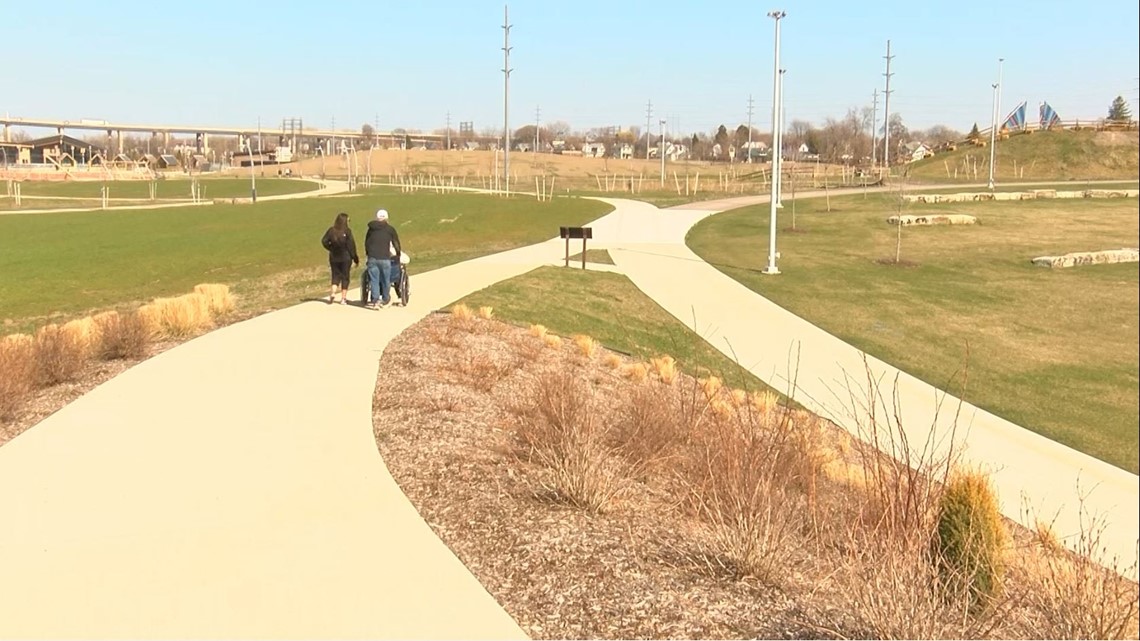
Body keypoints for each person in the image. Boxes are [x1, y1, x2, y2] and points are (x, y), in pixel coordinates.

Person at [364, 208, 401, 308]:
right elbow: (395, 243)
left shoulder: (371, 229)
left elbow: (367, 242)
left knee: (374, 280)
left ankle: (375, 300)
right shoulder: (390, 229)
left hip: (372, 257)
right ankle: (385, 299)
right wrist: (398, 254)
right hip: (384, 257)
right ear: (387, 218)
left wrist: (368, 254)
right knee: (386, 280)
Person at [320, 212, 359, 304]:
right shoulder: (347, 231)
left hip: (334, 257)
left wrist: (330, 248)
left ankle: (333, 292)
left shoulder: (331, 230)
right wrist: (355, 258)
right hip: (346, 257)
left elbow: (324, 241)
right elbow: (351, 246)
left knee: (335, 275)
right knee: (345, 277)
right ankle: (343, 298)